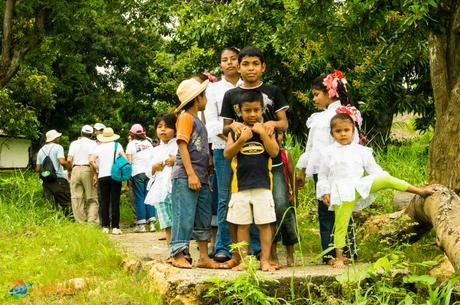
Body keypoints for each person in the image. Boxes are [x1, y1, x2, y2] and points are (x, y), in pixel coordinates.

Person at [317, 107, 438, 268]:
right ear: (332, 134)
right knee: (342, 223)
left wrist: (383, 179)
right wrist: (325, 191)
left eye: (347, 130)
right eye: (338, 131)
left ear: (353, 131)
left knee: (386, 179)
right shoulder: (328, 153)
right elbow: (323, 175)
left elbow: (375, 170)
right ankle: (339, 257)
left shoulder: (362, 151)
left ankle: (419, 191)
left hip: (359, 185)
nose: (343, 134)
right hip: (341, 191)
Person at [220, 45, 298, 267]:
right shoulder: (231, 95)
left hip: (271, 158)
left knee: (280, 205)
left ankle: (290, 249)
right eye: (245, 64)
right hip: (244, 161)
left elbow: (284, 122)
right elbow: (225, 128)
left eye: (255, 64)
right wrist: (234, 125)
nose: (250, 68)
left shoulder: (272, 91)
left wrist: (271, 123)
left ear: (263, 67)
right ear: (238, 66)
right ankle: (265, 255)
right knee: (243, 212)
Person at [296, 70, 360, 264]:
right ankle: (342, 252)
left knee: (331, 212)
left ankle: (335, 253)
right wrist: (303, 170)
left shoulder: (343, 115)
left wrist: (304, 171)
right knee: (339, 209)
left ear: (330, 92)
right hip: (332, 171)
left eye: (316, 94)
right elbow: (311, 147)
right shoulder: (323, 117)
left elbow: (353, 143)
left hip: (332, 171)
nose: (314, 99)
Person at [223, 90, 279, 272]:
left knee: (264, 224)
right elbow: (227, 154)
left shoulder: (268, 130)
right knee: (242, 224)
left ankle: (265, 260)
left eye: (256, 110)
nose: (252, 114)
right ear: (240, 111)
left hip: (263, 186)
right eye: (247, 110)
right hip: (240, 187)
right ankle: (244, 260)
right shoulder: (236, 131)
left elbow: (274, 152)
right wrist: (241, 140)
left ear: (263, 110)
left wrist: (262, 134)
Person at [169, 77, 219, 269]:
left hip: (202, 176)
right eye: (204, 95)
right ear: (197, 98)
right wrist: (190, 173)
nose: (206, 98)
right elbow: (182, 144)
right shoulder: (185, 118)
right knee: (184, 214)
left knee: (202, 216)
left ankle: (204, 256)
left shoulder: (199, 120)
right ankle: (177, 252)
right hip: (186, 175)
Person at [204, 47, 242, 263]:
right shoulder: (214, 89)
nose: (229, 63)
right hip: (222, 147)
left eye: (233, 59)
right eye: (224, 60)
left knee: (249, 194)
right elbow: (211, 123)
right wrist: (233, 130)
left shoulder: (248, 85)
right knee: (225, 196)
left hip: (250, 148)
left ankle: (251, 246)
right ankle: (224, 246)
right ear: (220, 65)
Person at [145, 113, 177, 247]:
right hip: (159, 190)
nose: (163, 129)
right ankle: (172, 251)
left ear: (176, 129)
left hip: (174, 188)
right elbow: (147, 172)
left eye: (167, 126)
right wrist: (153, 167)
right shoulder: (155, 150)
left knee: (178, 221)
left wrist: (175, 161)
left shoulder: (178, 145)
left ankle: (181, 250)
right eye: (160, 126)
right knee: (167, 223)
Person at [89, 127, 126, 234]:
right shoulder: (117, 145)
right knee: (115, 201)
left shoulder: (99, 147)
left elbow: (91, 160)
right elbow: (125, 160)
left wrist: (96, 169)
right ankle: (115, 227)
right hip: (115, 176)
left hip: (102, 176)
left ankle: (105, 226)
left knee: (104, 201)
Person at [126, 123, 156, 233]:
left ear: (132, 134)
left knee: (139, 198)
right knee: (149, 196)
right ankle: (152, 224)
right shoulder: (149, 143)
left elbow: (129, 161)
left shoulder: (131, 144)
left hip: (137, 173)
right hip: (149, 172)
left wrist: (127, 177)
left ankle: (141, 225)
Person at [67, 125, 99, 224]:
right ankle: (92, 222)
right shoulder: (93, 144)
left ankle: (81, 222)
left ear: (81, 133)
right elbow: (91, 160)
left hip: (75, 168)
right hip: (88, 169)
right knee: (92, 197)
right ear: (91, 134)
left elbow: (69, 160)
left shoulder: (74, 143)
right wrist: (95, 174)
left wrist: (69, 170)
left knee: (76, 197)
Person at [273, 130, 296, 266]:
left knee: (289, 225)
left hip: (286, 197)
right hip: (269, 199)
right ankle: (273, 255)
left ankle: (290, 255)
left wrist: (294, 195)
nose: (277, 137)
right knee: (272, 227)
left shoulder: (285, 154)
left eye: (280, 133)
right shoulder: (264, 154)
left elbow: (292, 174)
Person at [36, 129, 71, 215]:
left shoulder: (41, 150)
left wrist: (47, 171)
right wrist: (69, 167)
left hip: (46, 181)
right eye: (58, 137)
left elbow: (37, 168)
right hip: (58, 180)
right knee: (66, 203)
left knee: (50, 205)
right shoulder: (58, 147)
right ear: (54, 138)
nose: (59, 139)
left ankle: (53, 222)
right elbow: (62, 161)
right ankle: (70, 221)